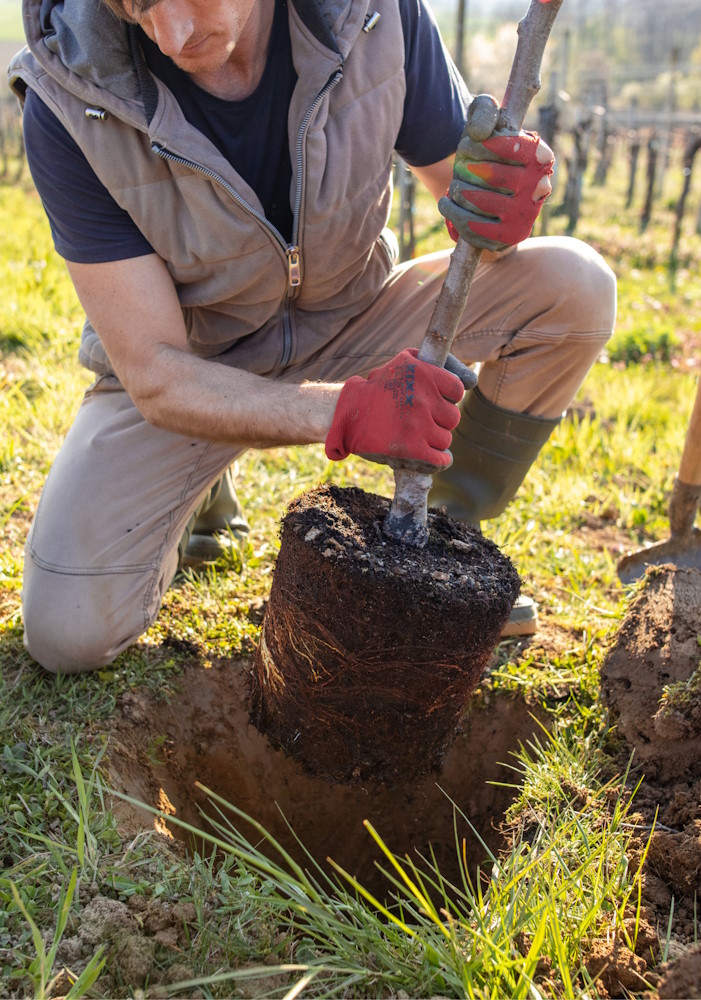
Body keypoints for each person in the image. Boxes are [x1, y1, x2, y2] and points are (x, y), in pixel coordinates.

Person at [8, 0, 616, 674]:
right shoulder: (70, 99)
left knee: (574, 286)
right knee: (68, 635)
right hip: (194, 364)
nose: (174, 34)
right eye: (140, 6)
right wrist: (347, 413)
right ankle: (199, 486)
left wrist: (502, 201)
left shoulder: (370, 17)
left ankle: (438, 552)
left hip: (356, 314)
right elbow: (155, 371)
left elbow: (468, 207)